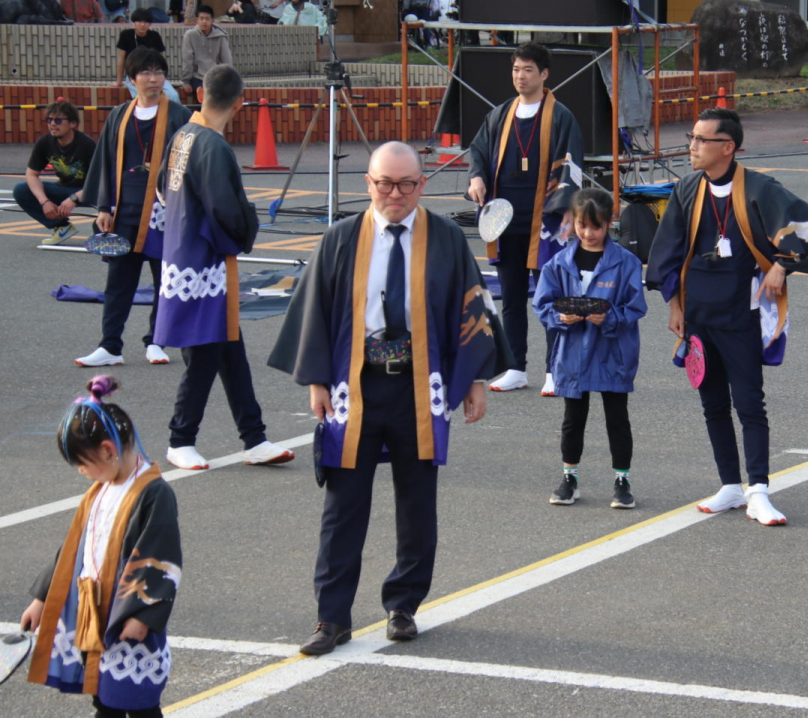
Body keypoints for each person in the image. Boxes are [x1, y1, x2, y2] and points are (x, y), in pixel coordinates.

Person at [268, 141, 508, 655]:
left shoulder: (444, 237)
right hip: (356, 384)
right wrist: (314, 380)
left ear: (423, 185)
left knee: (416, 501)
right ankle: (331, 618)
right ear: (368, 184)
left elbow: (471, 309)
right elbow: (315, 309)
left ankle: (403, 605)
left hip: (421, 385)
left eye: (405, 184)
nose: (394, 194)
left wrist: (476, 380)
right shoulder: (341, 239)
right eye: (384, 183)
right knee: (343, 504)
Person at [646, 108, 808, 526]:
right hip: (697, 313)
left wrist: (784, 264)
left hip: (741, 312)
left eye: (700, 140)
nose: (691, 147)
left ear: (727, 147)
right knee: (711, 402)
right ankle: (730, 484)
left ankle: (759, 490)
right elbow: (667, 250)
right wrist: (673, 304)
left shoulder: (761, 189)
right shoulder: (688, 189)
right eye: (692, 138)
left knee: (749, 403)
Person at [154, 65, 296, 471]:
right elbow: (226, 209)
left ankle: (254, 437)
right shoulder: (214, 146)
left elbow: (164, 189)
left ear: (200, 94)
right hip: (204, 259)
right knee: (205, 350)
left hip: (184, 251)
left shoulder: (183, 134)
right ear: (239, 103)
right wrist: (246, 230)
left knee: (228, 345)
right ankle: (181, 438)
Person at [21, 376, 182, 718]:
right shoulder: (100, 489)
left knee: (138, 700)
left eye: (83, 463)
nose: (82, 471)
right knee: (104, 696)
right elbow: (71, 549)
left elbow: (161, 558)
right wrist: (42, 598)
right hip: (93, 608)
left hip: (127, 614)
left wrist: (144, 615)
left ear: (108, 450)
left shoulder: (153, 493)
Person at [466, 42, 584, 396]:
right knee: (513, 297)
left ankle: (554, 369)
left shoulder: (561, 116)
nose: (520, 76)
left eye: (527, 70)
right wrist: (476, 177)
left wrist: (566, 209)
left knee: (552, 296)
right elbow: (478, 152)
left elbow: (572, 165)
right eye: (516, 69)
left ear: (544, 74)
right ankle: (515, 366)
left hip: (544, 220)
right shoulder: (500, 114)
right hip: (504, 219)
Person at [77, 47, 192, 369]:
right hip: (124, 211)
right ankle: (110, 346)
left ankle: (156, 341)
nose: (154, 78)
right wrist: (103, 206)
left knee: (164, 281)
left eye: (159, 72)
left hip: (164, 213)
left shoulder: (180, 115)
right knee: (118, 282)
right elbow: (105, 162)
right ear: (132, 79)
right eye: (146, 72)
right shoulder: (119, 115)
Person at [533, 187, 647, 508]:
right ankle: (570, 478)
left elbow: (636, 306)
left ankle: (622, 481)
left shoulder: (626, 263)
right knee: (573, 418)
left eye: (596, 227)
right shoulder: (559, 263)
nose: (588, 233)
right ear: (573, 222)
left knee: (617, 416)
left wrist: (609, 317)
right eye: (582, 225)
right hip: (572, 352)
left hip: (612, 352)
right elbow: (542, 304)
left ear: (609, 222)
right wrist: (560, 316)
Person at [12, 101, 97, 246]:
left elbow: (99, 181)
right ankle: (62, 227)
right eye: (49, 120)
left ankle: (102, 232)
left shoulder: (88, 145)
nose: (52, 124)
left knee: (117, 198)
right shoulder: (44, 142)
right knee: (21, 190)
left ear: (73, 124)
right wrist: (44, 201)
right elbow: (31, 174)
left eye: (58, 120)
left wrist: (74, 198)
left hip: (92, 192)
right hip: (65, 189)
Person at [115, 9, 181, 103]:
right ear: (133, 22)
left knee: (173, 95)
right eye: (139, 21)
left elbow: (160, 60)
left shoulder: (155, 36)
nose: (142, 24)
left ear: (150, 24)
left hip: (154, 73)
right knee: (144, 97)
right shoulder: (126, 35)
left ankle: (176, 117)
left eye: (146, 22)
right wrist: (119, 81)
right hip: (135, 75)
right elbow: (121, 59)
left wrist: (161, 76)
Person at [179, 5, 231, 96]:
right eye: (201, 18)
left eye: (207, 19)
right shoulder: (190, 35)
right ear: (197, 20)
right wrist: (186, 81)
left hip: (215, 77)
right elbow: (187, 60)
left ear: (212, 20)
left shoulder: (221, 36)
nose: (204, 22)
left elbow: (227, 61)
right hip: (197, 77)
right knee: (204, 96)